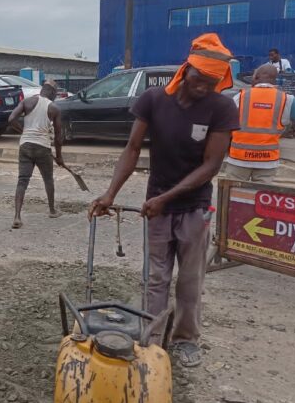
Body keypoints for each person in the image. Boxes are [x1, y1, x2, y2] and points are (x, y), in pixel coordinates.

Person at [88, 33, 240, 368]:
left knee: (189, 279)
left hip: (195, 206)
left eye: (214, 81)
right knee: (156, 277)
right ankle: (152, 340)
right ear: (187, 70)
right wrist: (110, 193)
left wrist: (166, 198)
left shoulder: (221, 107)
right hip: (157, 205)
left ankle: (186, 340)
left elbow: (211, 165)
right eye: (200, 77)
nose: (205, 86)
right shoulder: (154, 100)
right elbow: (131, 150)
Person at [7, 80, 65, 228]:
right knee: (48, 179)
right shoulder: (54, 108)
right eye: (55, 94)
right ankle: (52, 210)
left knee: (22, 181)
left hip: (25, 146)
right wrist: (59, 157)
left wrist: (23, 131)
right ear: (52, 93)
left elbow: (11, 119)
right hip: (42, 148)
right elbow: (58, 137)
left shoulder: (27, 102)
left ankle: (17, 217)